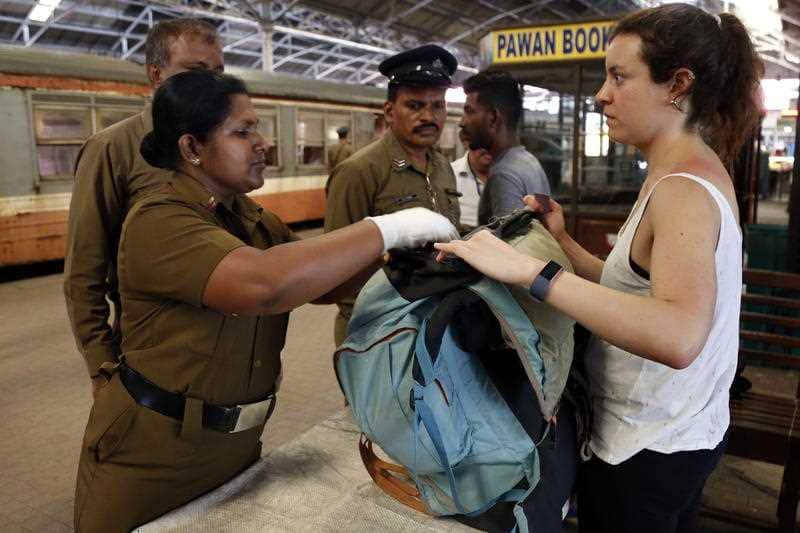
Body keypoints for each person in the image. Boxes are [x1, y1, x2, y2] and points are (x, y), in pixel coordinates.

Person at [73, 70, 458, 533]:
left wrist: (391, 255)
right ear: (192, 148)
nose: (261, 142)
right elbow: (266, 286)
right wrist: (389, 227)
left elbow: (314, 284)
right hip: (153, 454)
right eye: (242, 131)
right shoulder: (159, 219)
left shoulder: (248, 217)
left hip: (235, 445)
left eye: (258, 127)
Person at [435, 4, 762, 532]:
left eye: (619, 76)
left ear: (677, 85)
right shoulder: (687, 171)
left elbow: (678, 333)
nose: (601, 94)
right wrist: (563, 243)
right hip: (683, 431)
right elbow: (635, 290)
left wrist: (533, 274)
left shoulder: (681, 189)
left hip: (647, 447)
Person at [64, 18, 225, 398]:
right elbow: (82, 275)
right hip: (150, 356)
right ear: (156, 74)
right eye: (195, 71)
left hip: (220, 350)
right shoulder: (112, 150)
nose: (211, 86)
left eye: (219, 73)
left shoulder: (219, 148)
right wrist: (102, 368)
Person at [324, 44, 462, 346]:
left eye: (437, 105)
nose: (429, 116)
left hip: (436, 323)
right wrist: (368, 335)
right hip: (379, 330)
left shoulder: (442, 168)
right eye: (415, 106)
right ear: (389, 112)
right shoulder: (359, 172)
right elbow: (335, 267)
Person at [459, 70, 550, 225]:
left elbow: (509, 247)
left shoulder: (503, 175)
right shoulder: (530, 163)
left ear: (493, 118)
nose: (462, 122)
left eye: (469, 111)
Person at [451, 129, 492, 230]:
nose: (488, 148)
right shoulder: (449, 174)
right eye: (482, 142)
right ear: (466, 143)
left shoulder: (513, 175)